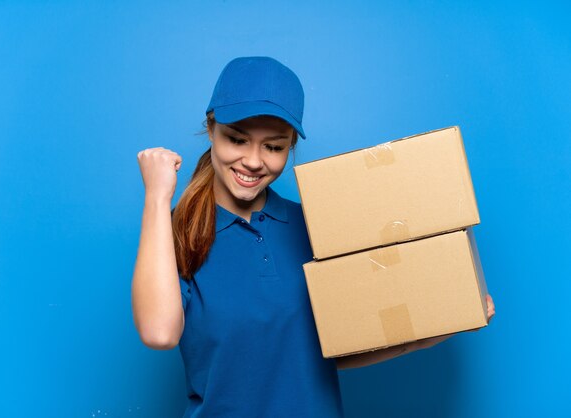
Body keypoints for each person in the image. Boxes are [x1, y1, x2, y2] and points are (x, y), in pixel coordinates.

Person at [131, 56, 496, 418]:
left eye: (273, 146)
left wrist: (431, 330)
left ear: (290, 146)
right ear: (211, 130)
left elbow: (333, 350)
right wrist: (157, 196)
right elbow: (160, 333)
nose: (254, 161)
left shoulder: (315, 226)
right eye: (237, 140)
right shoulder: (173, 232)